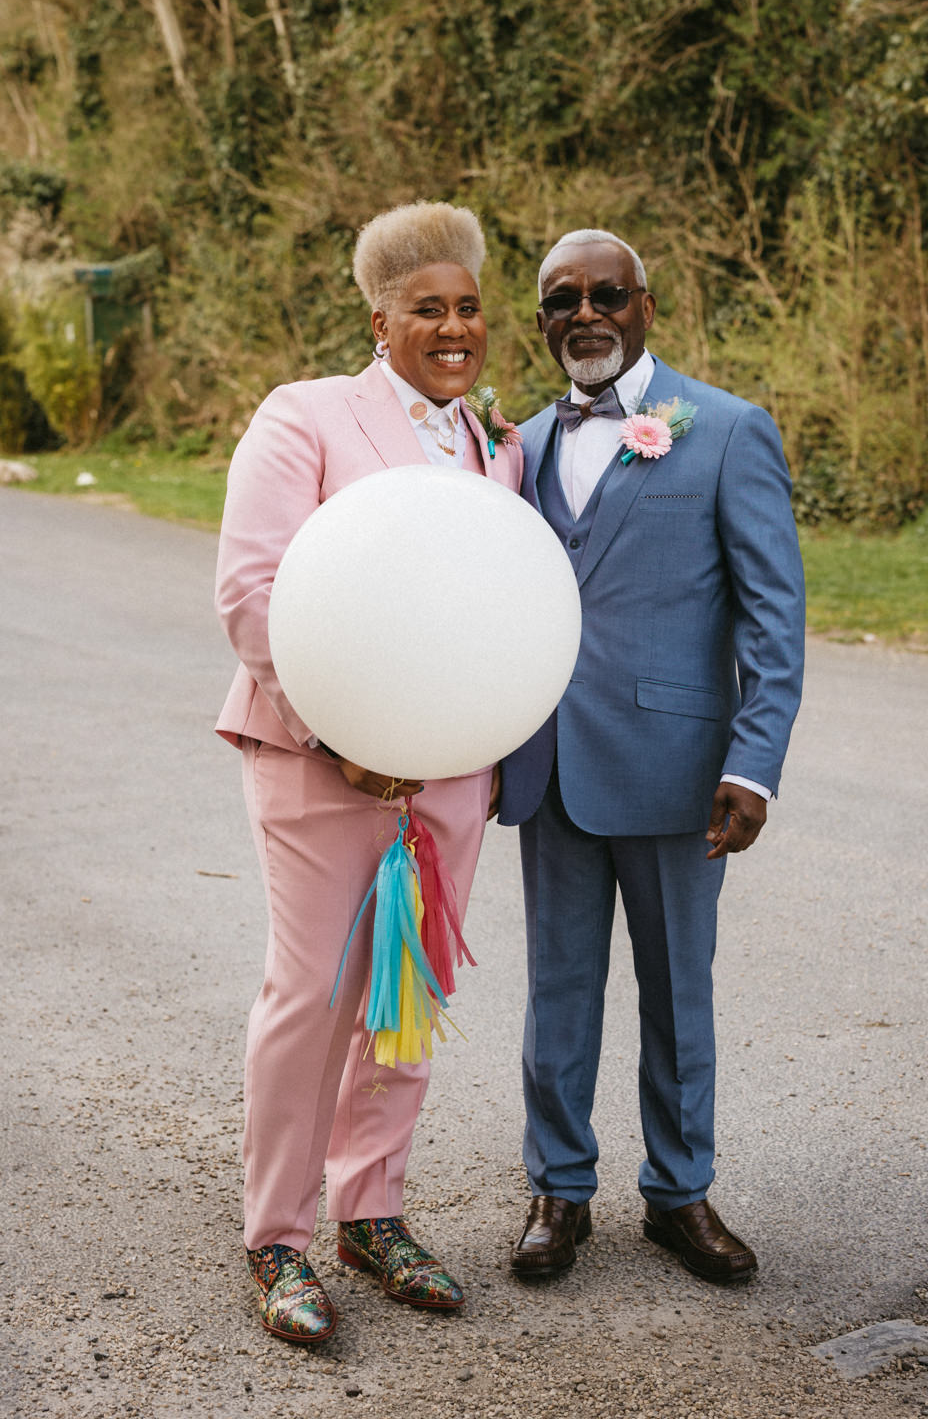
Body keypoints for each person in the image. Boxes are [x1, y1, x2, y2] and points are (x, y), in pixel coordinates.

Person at [214, 201, 523, 1342]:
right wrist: (335, 728)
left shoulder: (499, 445)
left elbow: (504, 605)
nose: (455, 327)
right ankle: (279, 1239)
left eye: (470, 307)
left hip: (448, 770)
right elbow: (253, 592)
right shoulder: (306, 420)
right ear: (379, 318)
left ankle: (373, 1213)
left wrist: (473, 740)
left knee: (409, 992)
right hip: (320, 761)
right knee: (315, 995)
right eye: (428, 309)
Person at [499, 228, 804, 1284]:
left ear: (645, 304)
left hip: (680, 770)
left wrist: (753, 763)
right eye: (559, 299)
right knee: (557, 986)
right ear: (540, 320)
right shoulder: (520, 446)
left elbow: (773, 614)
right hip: (549, 769)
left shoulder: (722, 430)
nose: (583, 313)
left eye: (605, 294)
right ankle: (557, 1188)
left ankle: (679, 1193)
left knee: (679, 988)